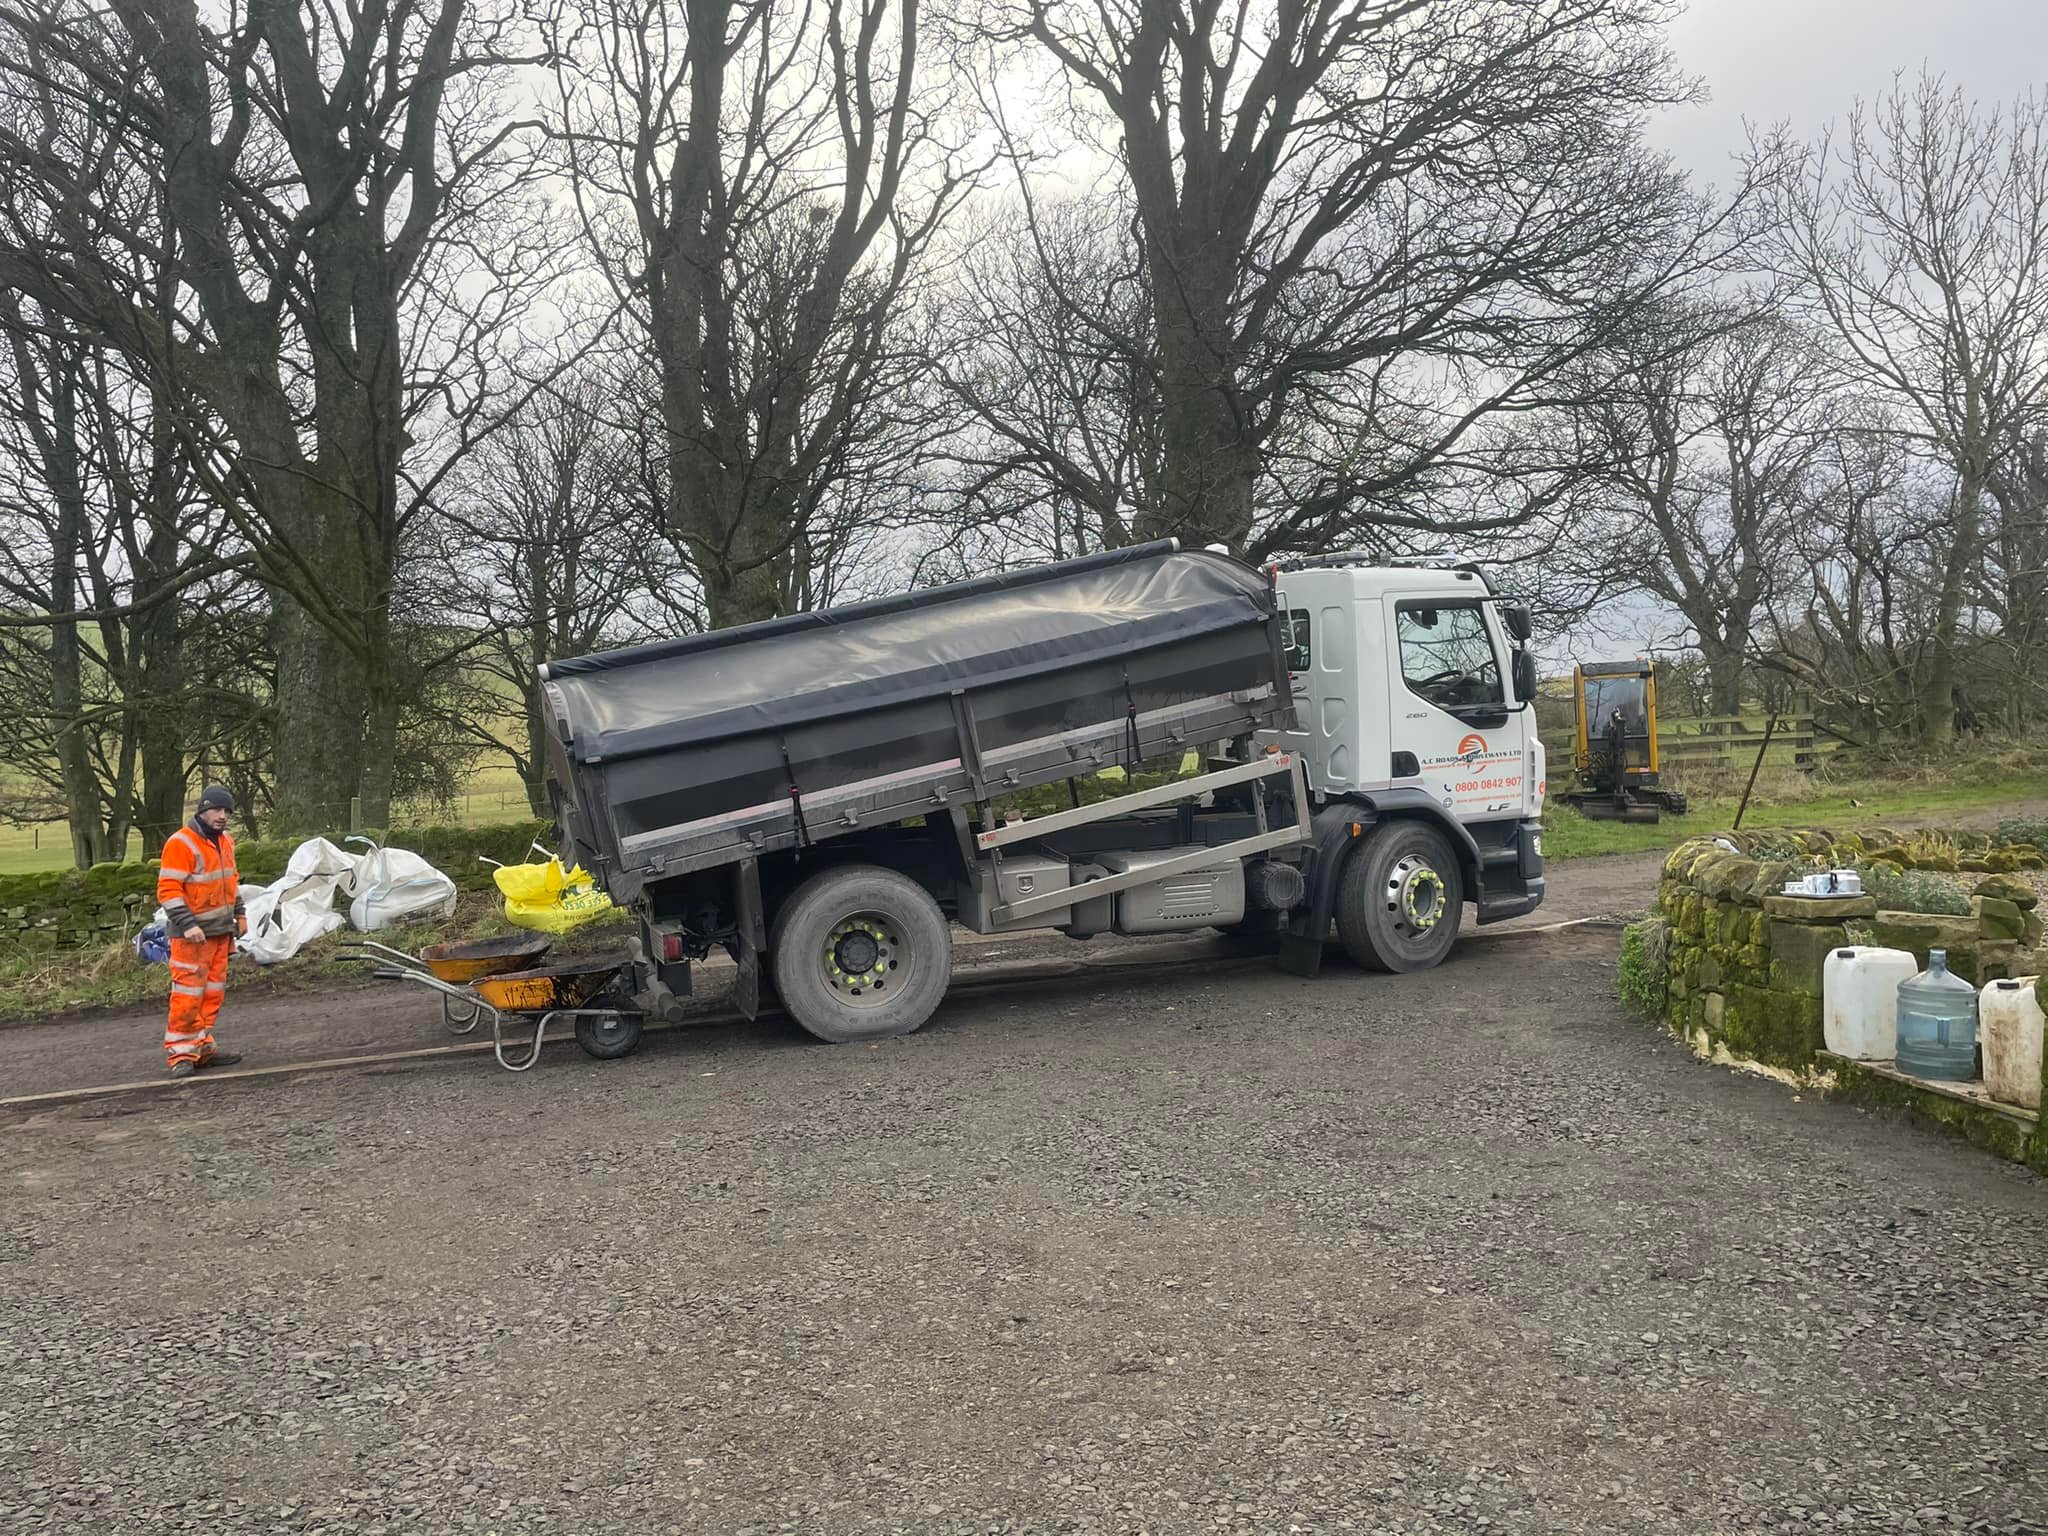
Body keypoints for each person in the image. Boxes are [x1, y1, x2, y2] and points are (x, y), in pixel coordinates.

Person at [156, 785, 248, 1078]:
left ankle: (201, 1047)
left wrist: (240, 913)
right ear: (202, 811)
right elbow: (168, 890)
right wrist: (188, 924)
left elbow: (230, 882)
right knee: (188, 996)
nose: (222, 816)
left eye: (227, 811)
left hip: (220, 933)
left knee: (211, 996)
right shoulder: (180, 843)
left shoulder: (226, 842)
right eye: (217, 810)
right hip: (192, 937)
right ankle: (181, 1054)